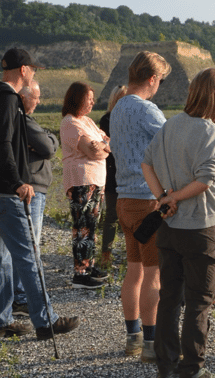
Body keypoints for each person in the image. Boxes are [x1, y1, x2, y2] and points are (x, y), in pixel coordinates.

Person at [0, 48, 79, 340]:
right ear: (24, 70)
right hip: (4, 191)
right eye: (33, 69)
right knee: (28, 257)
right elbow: (2, 143)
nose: (34, 74)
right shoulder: (7, 98)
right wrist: (16, 182)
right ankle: (46, 321)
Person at [141, 67, 215, 378]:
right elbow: (206, 180)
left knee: (169, 298)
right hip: (200, 228)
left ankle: (166, 367)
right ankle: (192, 370)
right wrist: (174, 197)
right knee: (199, 300)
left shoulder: (170, 125)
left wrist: (162, 197)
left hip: (169, 227)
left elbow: (146, 163)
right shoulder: (212, 132)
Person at [110, 51, 171, 361]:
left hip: (123, 200)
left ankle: (133, 337)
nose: (159, 86)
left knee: (133, 271)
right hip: (147, 200)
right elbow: (172, 143)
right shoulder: (146, 109)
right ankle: (151, 344)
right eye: (160, 80)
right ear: (152, 79)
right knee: (153, 274)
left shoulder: (118, 106)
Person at [12, 80, 59, 317]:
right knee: (31, 244)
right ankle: (22, 297)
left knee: (24, 243)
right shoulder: (25, 121)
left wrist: (47, 137)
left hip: (32, 185)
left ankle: (18, 294)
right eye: (36, 97)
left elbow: (46, 141)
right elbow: (49, 147)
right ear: (23, 96)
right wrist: (49, 138)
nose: (38, 102)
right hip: (32, 187)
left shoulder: (23, 120)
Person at [60, 81, 111, 290]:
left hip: (95, 181)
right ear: (77, 98)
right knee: (82, 227)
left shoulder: (88, 121)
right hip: (81, 181)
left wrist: (104, 146)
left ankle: (88, 266)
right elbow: (92, 151)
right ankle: (80, 273)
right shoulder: (71, 123)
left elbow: (108, 142)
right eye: (88, 98)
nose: (92, 102)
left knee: (91, 226)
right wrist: (104, 148)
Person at [98, 85, 127, 271]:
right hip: (113, 174)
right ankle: (106, 253)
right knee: (111, 216)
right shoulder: (108, 119)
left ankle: (129, 253)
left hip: (127, 172)